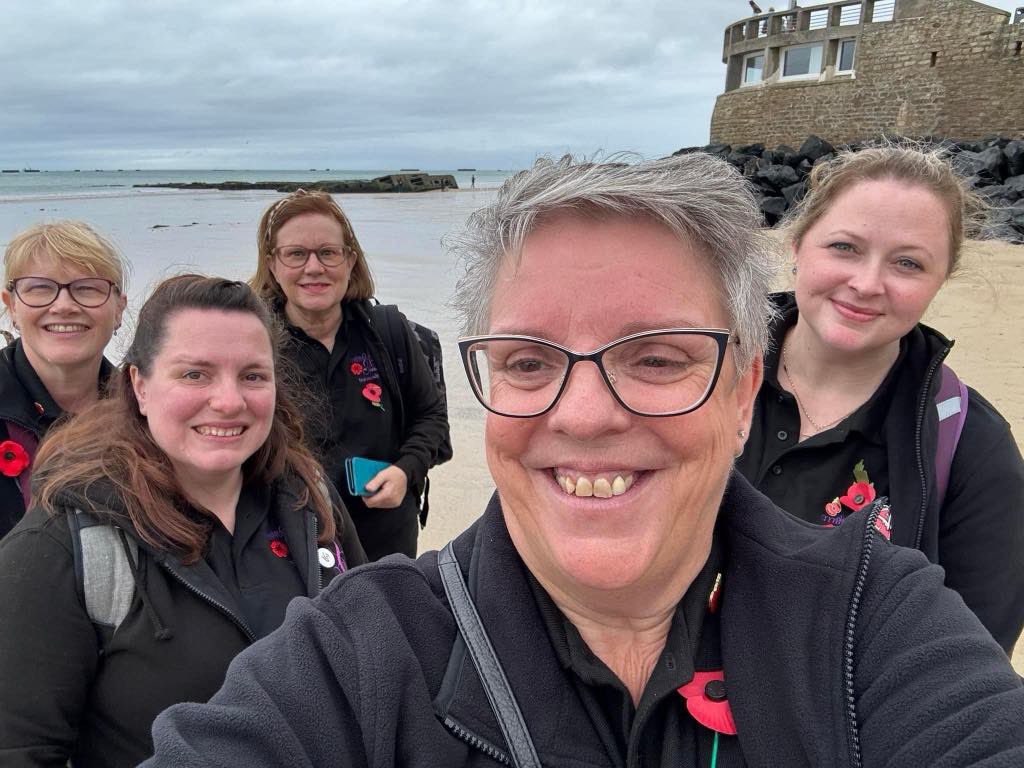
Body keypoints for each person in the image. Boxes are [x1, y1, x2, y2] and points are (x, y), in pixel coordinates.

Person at [145, 156, 1023, 767]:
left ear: (744, 385)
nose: (587, 413)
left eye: (657, 357)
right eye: (528, 361)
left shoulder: (877, 622)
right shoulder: (356, 654)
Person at [0, 275, 366, 766]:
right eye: (195, 374)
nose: (229, 400)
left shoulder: (309, 497)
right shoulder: (60, 545)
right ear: (140, 385)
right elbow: (21, 750)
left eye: (253, 375)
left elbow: (372, 650)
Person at [735, 144, 1024, 654]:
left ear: (941, 280)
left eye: (908, 263)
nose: (866, 284)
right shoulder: (696, 373)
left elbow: (968, 665)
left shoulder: (974, 449)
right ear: (797, 245)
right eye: (844, 247)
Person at [250, 189, 449, 560]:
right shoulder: (255, 345)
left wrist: (406, 472)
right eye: (296, 254)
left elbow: (431, 415)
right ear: (273, 266)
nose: (314, 268)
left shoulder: (389, 330)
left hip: (386, 532)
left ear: (349, 261)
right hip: (292, 537)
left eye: (328, 252)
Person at [0, 221, 128, 537]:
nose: (64, 306)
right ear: (11, 306)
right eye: (40, 288)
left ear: (119, 309)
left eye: (88, 288)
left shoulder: (148, 411)